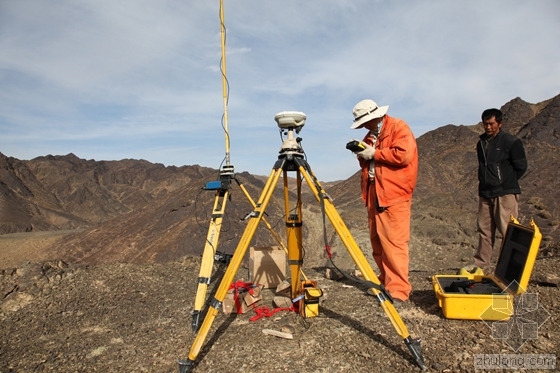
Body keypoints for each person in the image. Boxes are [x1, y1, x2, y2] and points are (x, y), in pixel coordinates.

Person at [349, 99, 418, 303]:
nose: (364, 126)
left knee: (394, 243)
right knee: (378, 242)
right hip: (374, 192)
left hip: (393, 194)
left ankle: (398, 291)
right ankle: (386, 282)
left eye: (365, 121)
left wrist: (375, 153)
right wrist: (363, 153)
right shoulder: (370, 136)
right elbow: (369, 160)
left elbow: (403, 155)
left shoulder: (398, 128)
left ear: (374, 115)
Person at [474, 108, 527, 269]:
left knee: (507, 231)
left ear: (500, 123)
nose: (488, 127)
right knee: (484, 231)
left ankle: (510, 267)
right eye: (485, 124)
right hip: (486, 192)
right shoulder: (481, 143)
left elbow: (521, 166)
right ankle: (481, 265)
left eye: (491, 124)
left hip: (505, 193)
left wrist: (504, 182)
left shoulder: (511, 142)